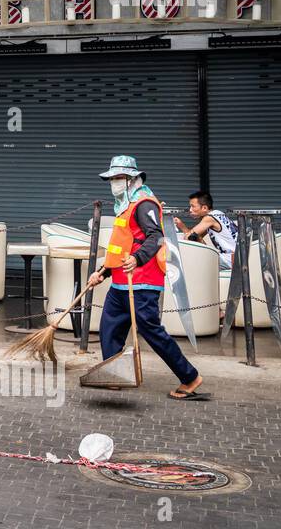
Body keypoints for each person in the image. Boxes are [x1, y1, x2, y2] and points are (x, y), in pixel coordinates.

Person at [85, 155, 208, 402]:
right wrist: (103, 272)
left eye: (118, 178)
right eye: (112, 178)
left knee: (150, 330)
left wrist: (138, 259)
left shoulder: (144, 203)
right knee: (109, 327)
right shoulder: (125, 205)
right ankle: (115, 374)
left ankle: (190, 377)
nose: (113, 183)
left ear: (131, 179)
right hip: (122, 280)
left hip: (142, 280)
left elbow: (155, 236)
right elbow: (122, 246)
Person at [174, 190, 239, 271]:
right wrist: (181, 225)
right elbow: (195, 238)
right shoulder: (217, 213)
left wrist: (181, 226)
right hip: (236, 257)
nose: (190, 210)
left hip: (230, 259)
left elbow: (189, 237)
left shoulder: (209, 218)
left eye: (193, 206)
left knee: (187, 263)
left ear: (204, 208)